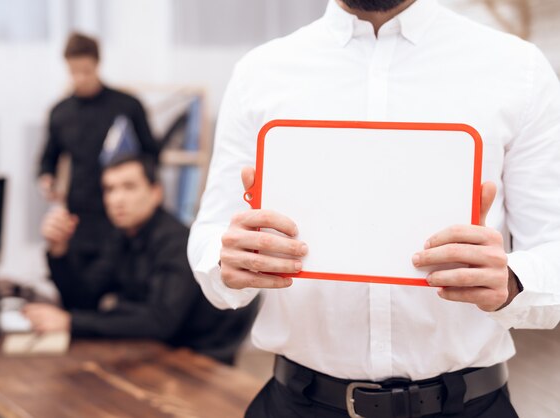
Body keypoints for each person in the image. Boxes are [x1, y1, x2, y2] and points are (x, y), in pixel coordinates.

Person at [187, 0, 560, 417]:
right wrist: (226, 258)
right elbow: (210, 230)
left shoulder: (517, 68)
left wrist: (511, 280)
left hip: (469, 405)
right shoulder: (261, 72)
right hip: (296, 404)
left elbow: (553, 245)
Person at [26, 155, 257, 365]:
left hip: (196, 359)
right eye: (109, 189)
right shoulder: (121, 235)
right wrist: (59, 251)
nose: (117, 199)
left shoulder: (176, 242)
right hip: (155, 350)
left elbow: (160, 321)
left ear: (156, 192)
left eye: (129, 187)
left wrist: (71, 323)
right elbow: (85, 297)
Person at [37, 32, 159, 273]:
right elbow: (48, 157)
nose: (80, 78)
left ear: (97, 64)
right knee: (79, 278)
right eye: (74, 71)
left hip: (119, 210)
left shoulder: (127, 105)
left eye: (86, 70)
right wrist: (46, 178)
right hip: (80, 211)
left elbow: (152, 154)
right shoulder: (60, 112)